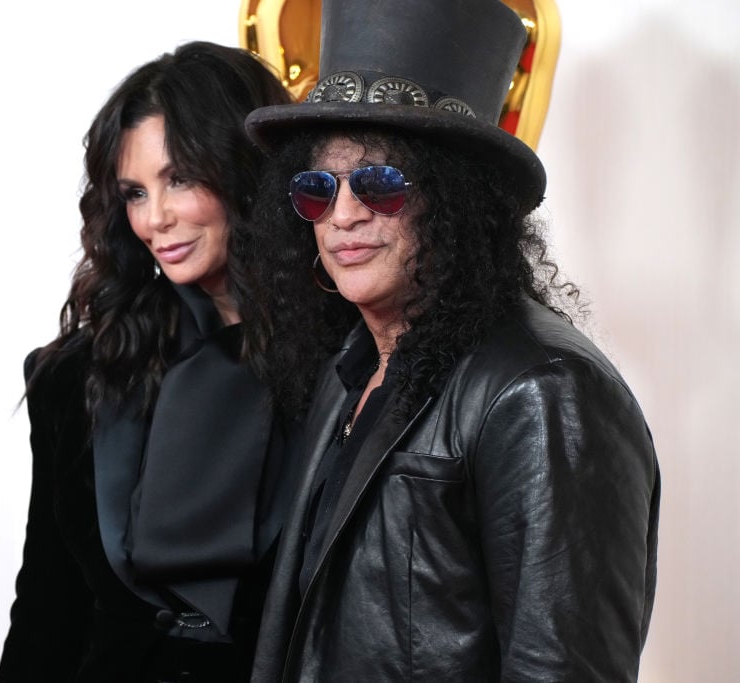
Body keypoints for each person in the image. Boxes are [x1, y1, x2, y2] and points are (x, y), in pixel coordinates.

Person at [241, 0, 661, 680]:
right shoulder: (348, 368)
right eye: (319, 188)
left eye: (379, 182)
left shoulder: (543, 391)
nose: (344, 214)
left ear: (457, 195)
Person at [0, 41, 298, 682]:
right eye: (134, 192)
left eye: (180, 178)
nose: (155, 218)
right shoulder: (77, 378)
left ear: (246, 171)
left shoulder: (349, 370)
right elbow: (48, 611)